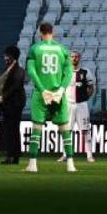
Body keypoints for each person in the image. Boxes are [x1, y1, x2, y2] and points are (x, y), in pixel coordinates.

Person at [24, 23, 75, 173]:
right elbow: (69, 73)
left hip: (41, 94)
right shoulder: (62, 49)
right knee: (65, 129)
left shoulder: (34, 48)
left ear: (40, 33)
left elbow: (31, 71)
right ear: (53, 33)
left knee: (36, 129)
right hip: (58, 93)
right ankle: (70, 164)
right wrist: (60, 90)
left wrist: (42, 90)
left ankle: (33, 164)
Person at [59, 51, 95, 163]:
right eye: (72, 56)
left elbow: (91, 87)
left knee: (85, 130)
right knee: (66, 130)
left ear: (79, 58)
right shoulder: (64, 72)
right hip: (68, 105)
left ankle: (89, 155)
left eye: (76, 57)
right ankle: (65, 154)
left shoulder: (85, 72)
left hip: (82, 105)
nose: (74, 58)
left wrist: (86, 97)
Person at [0, 46, 26, 165]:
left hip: (14, 104)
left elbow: (16, 86)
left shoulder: (18, 70)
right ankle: (11, 155)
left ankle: (13, 156)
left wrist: (3, 96)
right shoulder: (8, 69)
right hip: (8, 104)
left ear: (12, 56)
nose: (5, 58)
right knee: (10, 130)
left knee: (13, 130)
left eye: (7, 55)